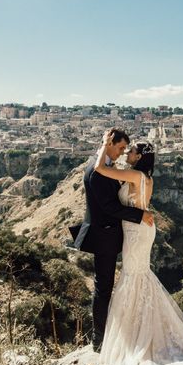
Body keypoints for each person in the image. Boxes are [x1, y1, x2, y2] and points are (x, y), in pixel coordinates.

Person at [93, 131, 183, 365]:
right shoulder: (145, 177)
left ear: (139, 157)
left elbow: (99, 169)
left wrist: (105, 145)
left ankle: (137, 336)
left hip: (136, 233)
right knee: (139, 277)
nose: (127, 153)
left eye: (131, 151)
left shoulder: (135, 175)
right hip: (140, 229)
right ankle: (141, 332)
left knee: (134, 277)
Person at [71, 128, 154, 353]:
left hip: (121, 234)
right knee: (104, 287)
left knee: (127, 280)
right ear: (109, 143)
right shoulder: (98, 170)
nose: (122, 153)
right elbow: (109, 206)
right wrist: (139, 215)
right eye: (119, 148)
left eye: (126, 150)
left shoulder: (104, 167)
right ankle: (100, 340)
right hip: (106, 235)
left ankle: (126, 333)